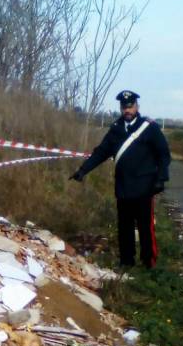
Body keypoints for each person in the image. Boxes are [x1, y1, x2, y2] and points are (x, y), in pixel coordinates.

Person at [70, 90, 171, 268]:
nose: (127, 110)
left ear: (137, 106)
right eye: (124, 107)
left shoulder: (149, 127)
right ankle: (126, 261)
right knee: (124, 227)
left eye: (130, 106)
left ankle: (149, 262)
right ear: (121, 108)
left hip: (144, 186)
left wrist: (161, 178)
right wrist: (83, 170)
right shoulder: (115, 129)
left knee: (145, 227)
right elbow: (101, 152)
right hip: (123, 187)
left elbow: (164, 154)